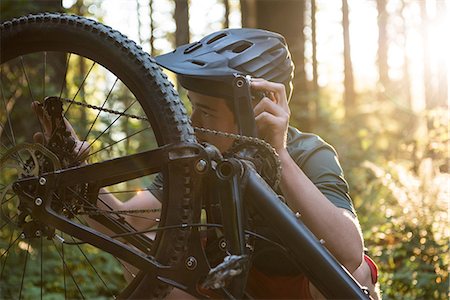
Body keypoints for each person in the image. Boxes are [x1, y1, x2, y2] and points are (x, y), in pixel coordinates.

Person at [32, 28, 379, 299]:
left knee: (356, 276)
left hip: (301, 288)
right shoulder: (199, 154)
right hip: (233, 291)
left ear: (253, 114)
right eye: (191, 104)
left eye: (207, 111)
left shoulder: (309, 152)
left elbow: (350, 253)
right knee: (144, 250)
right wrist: (76, 175)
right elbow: (133, 222)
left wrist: (280, 155)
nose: (192, 121)